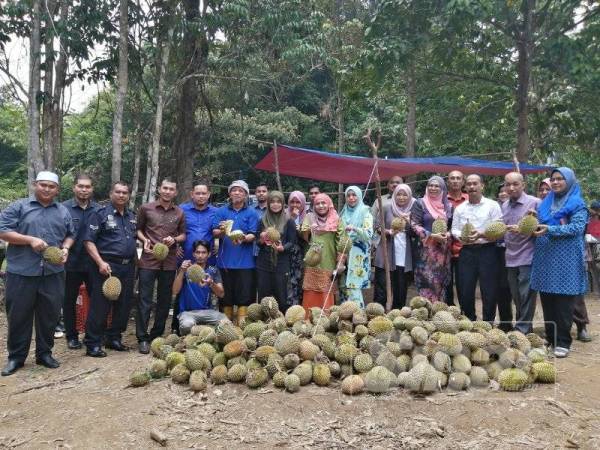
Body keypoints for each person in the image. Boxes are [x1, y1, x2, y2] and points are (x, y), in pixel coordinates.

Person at [0, 172, 74, 376]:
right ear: (35, 185)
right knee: (18, 316)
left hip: (53, 273)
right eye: (43, 185)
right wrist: (29, 240)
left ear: (57, 189)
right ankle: (16, 357)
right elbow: (3, 230)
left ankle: (44, 353)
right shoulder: (19, 207)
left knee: (49, 315)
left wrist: (66, 248)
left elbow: (70, 234)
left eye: (51, 186)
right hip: (22, 272)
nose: (47, 189)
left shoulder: (62, 211)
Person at [531, 167, 588, 357]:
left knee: (564, 302)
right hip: (546, 257)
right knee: (547, 300)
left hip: (567, 259)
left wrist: (550, 230)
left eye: (560, 179)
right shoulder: (545, 203)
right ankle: (551, 338)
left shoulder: (577, 203)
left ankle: (563, 341)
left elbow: (577, 228)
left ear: (569, 181)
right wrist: (531, 221)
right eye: (553, 179)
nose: (555, 182)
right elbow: (539, 225)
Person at [83, 181, 137, 357]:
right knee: (100, 305)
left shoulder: (131, 216)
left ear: (128, 195)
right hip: (106, 266)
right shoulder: (99, 214)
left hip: (128, 266)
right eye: (118, 192)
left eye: (125, 192)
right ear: (111, 193)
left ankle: (113, 337)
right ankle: (93, 342)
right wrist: (100, 262)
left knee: (124, 304)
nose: (122, 195)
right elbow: (88, 241)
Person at [136, 179, 186, 354]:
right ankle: (142, 337)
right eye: (165, 188)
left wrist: (175, 239)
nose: (167, 191)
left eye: (171, 189)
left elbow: (183, 235)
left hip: (169, 261)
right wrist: (144, 239)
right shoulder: (146, 208)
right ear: (159, 189)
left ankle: (156, 335)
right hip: (148, 260)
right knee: (145, 299)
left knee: (165, 300)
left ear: (175, 192)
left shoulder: (179, 213)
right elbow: (138, 229)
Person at [451, 174, 503, 322]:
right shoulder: (460, 209)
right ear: (465, 187)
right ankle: (469, 321)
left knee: (489, 290)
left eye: (475, 183)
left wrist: (481, 235)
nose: (472, 187)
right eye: (469, 184)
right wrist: (462, 236)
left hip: (488, 250)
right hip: (467, 251)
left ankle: (488, 323)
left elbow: (499, 228)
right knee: (465, 289)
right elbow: (454, 229)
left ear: (482, 186)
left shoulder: (492, 205)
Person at [61, 173, 99, 350]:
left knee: (97, 299)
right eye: (81, 186)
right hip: (71, 263)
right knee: (69, 301)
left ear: (92, 189)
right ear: (74, 187)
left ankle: (92, 334)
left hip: (93, 263)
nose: (84, 190)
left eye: (88, 187)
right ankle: (72, 336)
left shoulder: (98, 210)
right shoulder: (63, 208)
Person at [212, 180, 258, 324]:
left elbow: (253, 234)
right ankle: (226, 327)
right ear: (229, 193)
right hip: (225, 262)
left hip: (246, 263)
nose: (237, 192)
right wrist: (223, 230)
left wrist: (244, 238)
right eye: (234, 190)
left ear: (245, 195)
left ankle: (243, 327)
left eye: (241, 190)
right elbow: (214, 232)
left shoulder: (252, 212)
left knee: (244, 297)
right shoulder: (222, 211)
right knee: (226, 297)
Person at [502, 172, 540, 334]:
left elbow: (543, 228)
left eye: (515, 184)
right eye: (508, 184)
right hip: (510, 256)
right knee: (516, 295)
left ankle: (522, 329)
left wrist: (529, 226)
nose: (511, 188)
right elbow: (502, 228)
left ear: (523, 185)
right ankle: (525, 327)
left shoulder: (535, 203)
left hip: (528, 255)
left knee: (527, 295)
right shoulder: (504, 205)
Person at [411, 176, 452, 303]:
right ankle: (425, 314)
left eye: (436, 186)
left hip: (442, 252)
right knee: (426, 283)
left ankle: (439, 316)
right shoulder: (420, 203)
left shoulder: (448, 205)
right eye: (430, 185)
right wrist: (432, 235)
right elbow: (413, 224)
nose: (433, 188)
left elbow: (453, 227)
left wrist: (448, 235)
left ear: (442, 188)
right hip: (425, 252)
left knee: (440, 283)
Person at [373, 184, 415, 309]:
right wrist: (388, 231)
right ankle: (377, 315)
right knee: (382, 288)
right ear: (394, 195)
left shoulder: (413, 210)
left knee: (401, 289)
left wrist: (409, 222)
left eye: (404, 194)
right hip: (385, 254)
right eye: (398, 194)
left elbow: (416, 232)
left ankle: (397, 316)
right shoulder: (386, 208)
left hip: (404, 255)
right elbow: (376, 227)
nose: (401, 197)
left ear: (409, 196)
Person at [301, 193, 343, 314]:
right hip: (312, 262)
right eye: (317, 203)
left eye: (323, 203)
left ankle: (325, 323)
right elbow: (304, 236)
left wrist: (340, 262)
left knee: (326, 293)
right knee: (310, 292)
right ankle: (307, 321)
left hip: (328, 261)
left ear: (329, 204)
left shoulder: (336, 219)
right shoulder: (309, 217)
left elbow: (341, 242)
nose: (320, 206)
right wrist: (310, 229)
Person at [172, 240, 226, 334]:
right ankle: (205, 331)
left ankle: (204, 331)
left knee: (226, 324)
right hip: (188, 313)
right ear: (193, 254)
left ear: (209, 254)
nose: (200, 255)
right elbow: (175, 291)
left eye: (204, 252)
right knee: (186, 326)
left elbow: (221, 294)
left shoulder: (213, 270)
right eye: (197, 252)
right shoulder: (186, 268)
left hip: (208, 312)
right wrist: (181, 271)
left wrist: (211, 283)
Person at [256, 191, 297, 312]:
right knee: (263, 295)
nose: (275, 204)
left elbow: (292, 242)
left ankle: (281, 322)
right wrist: (262, 239)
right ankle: (263, 322)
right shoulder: (262, 221)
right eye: (272, 202)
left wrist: (283, 248)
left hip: (281, 262)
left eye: (278, 202)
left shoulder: (289, 221)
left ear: (283, 204)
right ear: (268, 204)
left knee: (282, 296)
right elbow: (257, 242)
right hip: (264, 262)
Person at [339, 186, 373, 307]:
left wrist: (354, 228)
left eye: (354, 195)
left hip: (358, 255)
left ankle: (359, 318)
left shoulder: (365, 211)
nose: (351, 198)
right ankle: (345, 319)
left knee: (354, 288)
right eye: (348, 195)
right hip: (343, 254)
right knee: (343, 286)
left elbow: (368, 234)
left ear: (359, 196)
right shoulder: (343, 212)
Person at [445, 170, 469, 306]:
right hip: (444, 250)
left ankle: (465, 313)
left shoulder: (469, 199)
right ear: (448, 181)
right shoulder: (441, 199)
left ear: (463, 182)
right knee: (446, 283)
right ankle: (449, 315)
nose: (455, 181)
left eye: (458, 178)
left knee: (464, 283)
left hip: (463, 249)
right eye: (452, 178)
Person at [180, 182, 218, 263]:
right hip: (186, 257)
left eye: (204, 193)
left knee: (207, 276)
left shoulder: (216, 212)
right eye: (197, 193)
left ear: (208, 195)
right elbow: (173, 229)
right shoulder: (181, 210)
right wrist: (175, 247)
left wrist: (219, 244)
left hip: (208, 259)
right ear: (192, 194)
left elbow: (221, 230)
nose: (201, 196)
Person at [494, 184, 514, 332]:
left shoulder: (515, 208)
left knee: (513, 288)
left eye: (505, 191)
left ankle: (522, 324)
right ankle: (505, 322)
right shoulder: (494, 209)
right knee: (501, 288)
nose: (503, 193)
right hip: (497, 253)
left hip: (515, 252)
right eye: (500, 192)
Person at [286, 191, 308, 306]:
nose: (295, 205)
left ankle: (300, 306)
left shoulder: (308, 216)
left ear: (303, 203)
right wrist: (292, 219)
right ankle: (290, 305)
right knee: (289, 280)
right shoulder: (284, 215)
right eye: (292, 202)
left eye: (298, 202)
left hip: (302, 253)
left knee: (300, 279)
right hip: (287, 253)